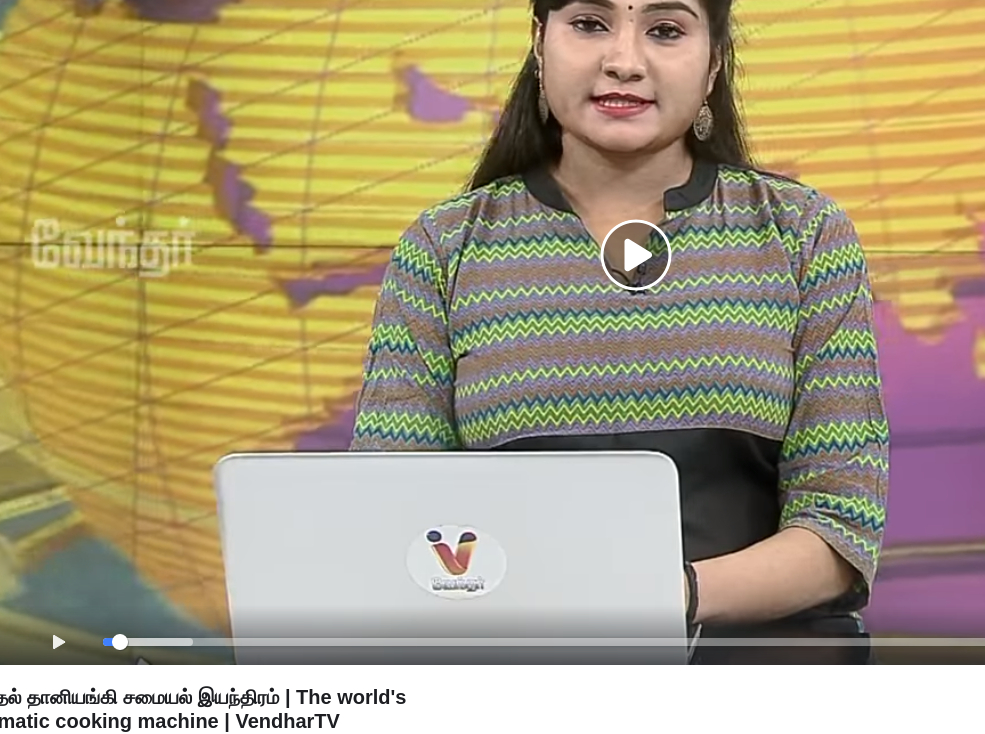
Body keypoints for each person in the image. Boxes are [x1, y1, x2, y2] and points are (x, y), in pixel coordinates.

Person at [351, 0, 889, 664]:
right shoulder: (445, 247)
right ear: (539, 45)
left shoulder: (802, 234)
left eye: (665, 30)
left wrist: (665, 595)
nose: (624, 62)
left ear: (713, 63)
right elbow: (394, 514)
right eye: (589, 24)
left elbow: (839, 530)